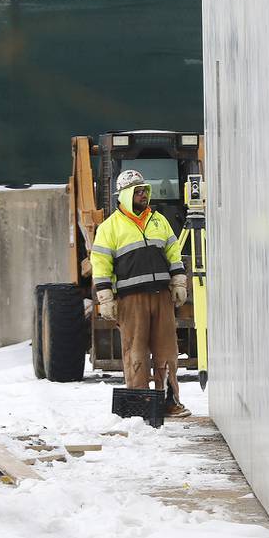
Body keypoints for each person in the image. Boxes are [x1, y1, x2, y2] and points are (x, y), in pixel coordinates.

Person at [90, 169, 191, 417]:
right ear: (125, 196)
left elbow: (173, 252)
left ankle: (170, 402)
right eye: (138, 191)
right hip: (130, 300)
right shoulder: (109, 228)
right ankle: (141, 404)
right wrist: (105, 298)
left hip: (161, 297)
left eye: (145, 190)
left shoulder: (158, 221)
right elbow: (101, 264)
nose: (143, 194)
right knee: (135, 352)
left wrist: (178, 282)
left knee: (167, 352)